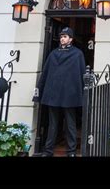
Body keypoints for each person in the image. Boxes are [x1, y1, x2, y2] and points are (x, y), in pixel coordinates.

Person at [32, 27, 86, 157]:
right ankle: (48, 150)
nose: (62, 38)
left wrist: (84, 95)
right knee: (53, 124)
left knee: (70, 124)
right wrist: (39, 91)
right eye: (61, 36)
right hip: (53, 94)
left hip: (70, 94)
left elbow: (82, 74)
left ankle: (71, 151)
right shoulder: (53, 54)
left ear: (71, 39)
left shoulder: (77, 54)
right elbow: (45, 73)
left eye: (65, 36)